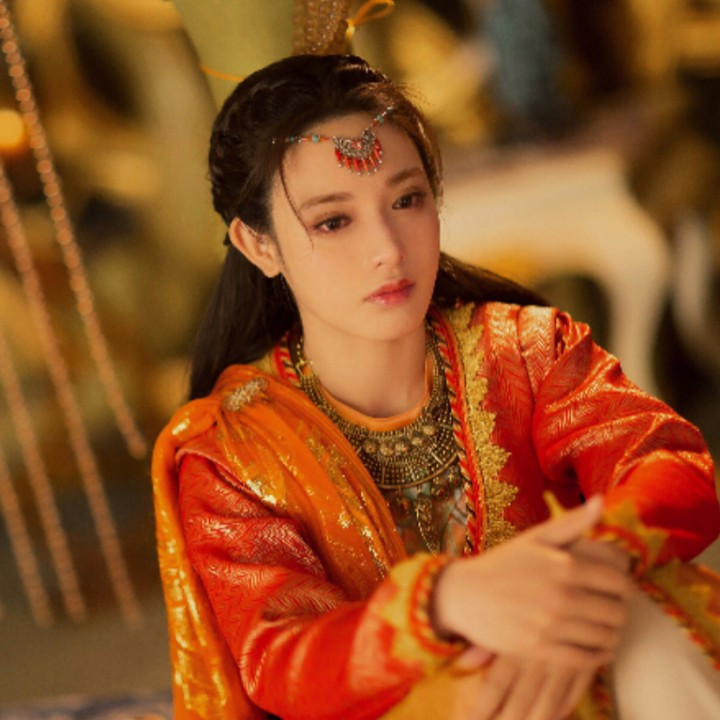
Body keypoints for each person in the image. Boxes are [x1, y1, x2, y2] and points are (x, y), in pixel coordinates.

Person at [151, 54, 720, 720]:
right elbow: (283, 658)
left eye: (406, 200)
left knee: (641, 621)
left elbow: (668, 467)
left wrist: (580, 580)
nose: (389, 249)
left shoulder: (524, 351)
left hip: (578, 664)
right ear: (258, 244)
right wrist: (443, 603)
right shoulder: (235, 452)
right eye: (334, 221)